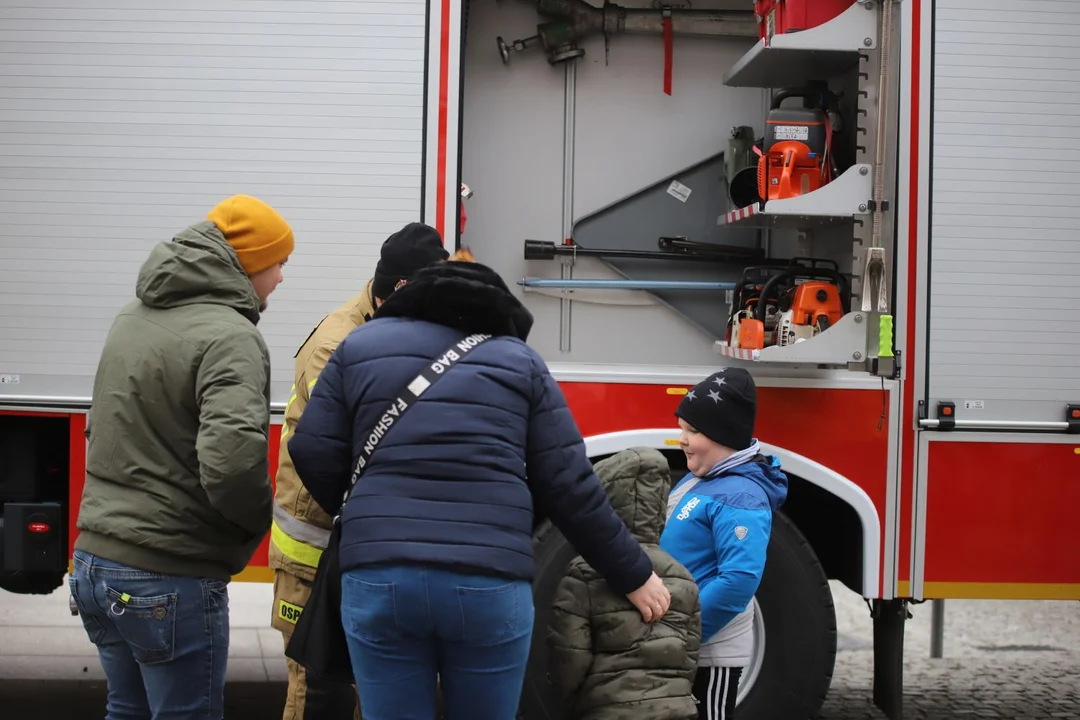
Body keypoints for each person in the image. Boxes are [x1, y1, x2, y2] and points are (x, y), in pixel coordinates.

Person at [286, 258, 672, 720]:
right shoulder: (519, 361)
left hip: (381, 576)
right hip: (488, 581)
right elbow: (569, 484)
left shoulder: (359, 346)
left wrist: (367, 512)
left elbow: (309, 447)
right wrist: (634, 574)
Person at [69, 194, 293, 720]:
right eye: (279, 263)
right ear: (250, 262)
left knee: (126, 708)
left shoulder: (134, 315)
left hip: (95, 563)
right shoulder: (231, 336)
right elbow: (232, 462)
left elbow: (100, 425)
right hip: (168, 573)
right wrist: (256, 524)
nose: (282, 278)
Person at [269, 221, 449, 720]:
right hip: (314, 553)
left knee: (368, 687)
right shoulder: (339, 345)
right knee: (316, 689)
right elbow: (343, 453)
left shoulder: (393, 328)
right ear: (401, 290)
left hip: (360, 543)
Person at [659, 367, 788, 720]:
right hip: (680, 640)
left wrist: (685, 633)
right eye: (682, 428)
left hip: (708, 650)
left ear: (724, 435)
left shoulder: (742, 496)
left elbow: (739, 580)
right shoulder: (702, 479)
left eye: (693, 431)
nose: (681, 439)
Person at [548, 447, 702, 720]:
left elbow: (569, 656)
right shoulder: (683, 577)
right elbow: (689, 659)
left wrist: (573, 706)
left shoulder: (584, 572)